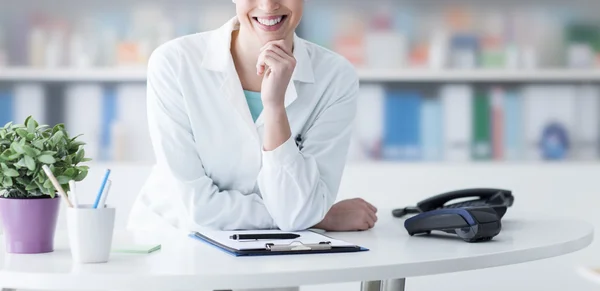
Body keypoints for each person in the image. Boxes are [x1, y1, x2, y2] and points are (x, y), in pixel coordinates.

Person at [127, 0, 378, 236]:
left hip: (277, 256)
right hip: (172, 245)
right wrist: (318, 217)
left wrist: (275, 107)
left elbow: (298, 213)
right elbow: (198, 210)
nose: (268, 5)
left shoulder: (335, 78)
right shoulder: (173, 63)